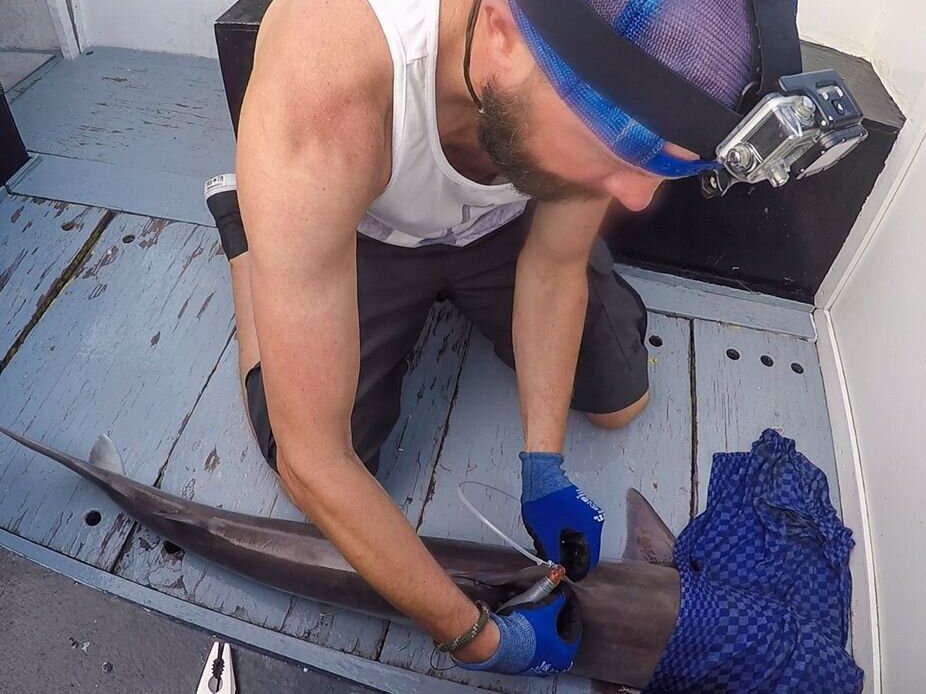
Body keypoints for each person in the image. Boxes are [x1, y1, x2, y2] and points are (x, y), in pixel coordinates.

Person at [204, 0, 757, 676]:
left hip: (503, 222)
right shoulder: (325, 95)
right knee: (321, 458)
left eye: (659, 160)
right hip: (367, 226)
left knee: (620, 400)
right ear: (501, 30)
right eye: (621, 145)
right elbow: (313, 460)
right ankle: (248, 236)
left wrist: (543, 467)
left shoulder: (580, 69)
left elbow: (555, 267)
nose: (638, 199)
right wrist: (478, 638)